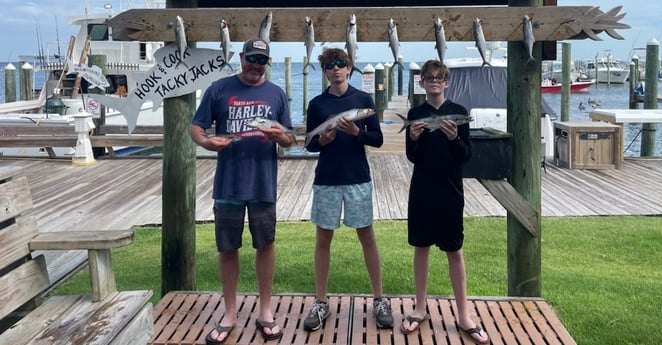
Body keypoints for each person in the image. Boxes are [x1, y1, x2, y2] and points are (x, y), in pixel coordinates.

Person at [190, 37, 295, 345]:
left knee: (265, 245)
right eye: (251, 58)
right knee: (227, 248)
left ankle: (265, 311)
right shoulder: (219, 89)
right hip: (228, 184)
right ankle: (230, 313)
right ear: (241, 56)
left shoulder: (276, 94)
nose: (255, 65)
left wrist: (279, 135)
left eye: (261, 60)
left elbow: (290, 138)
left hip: (263, 184)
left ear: (267, 63)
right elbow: (196, 126)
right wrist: (206, 142)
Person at [302, 47, 393, 331]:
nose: (337, 69)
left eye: (341, 64)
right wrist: (324, 141)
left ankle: (379, 299)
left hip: (357, 178)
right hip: (327, 179)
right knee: (322, 240)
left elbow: (377, 139)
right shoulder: (317, 104)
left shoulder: (364, 100)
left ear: (350, 67)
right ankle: (320, 301)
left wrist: (357, 134)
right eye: (331, 65)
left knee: (367, 236)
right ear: (326, 71)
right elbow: (309, 143)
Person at [399, 60, 489, 344]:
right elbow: (412, 156)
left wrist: (453, 138)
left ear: (446, 82)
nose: (434, 81)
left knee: (455, 250)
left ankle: (464, 315)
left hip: (451, 190)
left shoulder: (459, 114)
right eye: (429, 77)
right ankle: (420, 308)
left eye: (439, 77)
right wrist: (413, 138)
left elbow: (465, 156)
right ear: (422, 82)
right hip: (422, 189)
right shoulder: (416, 113)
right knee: (421, 247)